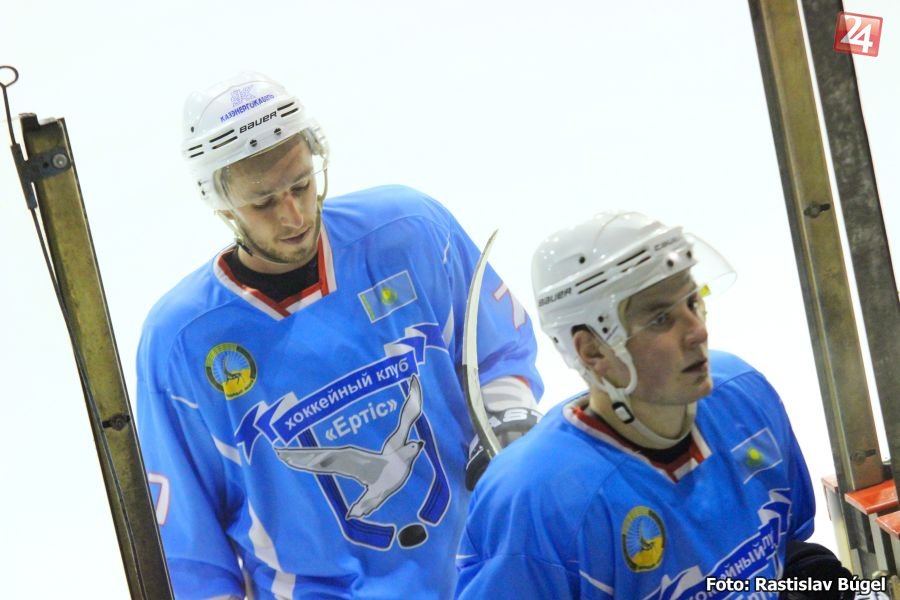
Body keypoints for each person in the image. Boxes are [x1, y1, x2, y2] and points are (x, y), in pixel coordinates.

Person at [136, 72, 543, 600]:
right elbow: (189, 543)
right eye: (264, 202)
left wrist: (506, 426)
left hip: (483, 575)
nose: (294, 216)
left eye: (301, 185)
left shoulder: (408, 232)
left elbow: (497, 352)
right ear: (219, 201)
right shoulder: (181, 343)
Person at [455, 211, 833, 599]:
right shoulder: (535, 501)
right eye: (661, 319)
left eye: (693, 302)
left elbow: (782, 546)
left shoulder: (743, 397)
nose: (697, 331)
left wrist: (798, 574)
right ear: (593, 350)